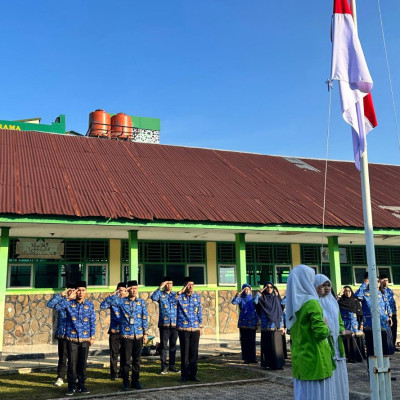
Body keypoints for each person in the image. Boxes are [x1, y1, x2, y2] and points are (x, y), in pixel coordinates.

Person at [286, 265, 336, 400]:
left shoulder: (293, 304)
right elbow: (320, 333)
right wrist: (326, 326)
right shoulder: (312, 303)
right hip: (316, 359)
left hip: (300, 359)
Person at [314, 275, 350, 400]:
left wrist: (343, 330)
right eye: (323, 285)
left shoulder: (334, 302)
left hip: (337, 344)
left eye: (328, 285)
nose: (327, 288)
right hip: (325, 344)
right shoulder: (315, 303)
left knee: (340, 376)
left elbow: (339, 322)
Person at [60, 281, 96, 396]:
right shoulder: (69, 304)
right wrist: (65, 297)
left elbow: (92, 321)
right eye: (78, 290)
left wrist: (92, 336)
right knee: (72, 363)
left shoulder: (89, 305)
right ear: (76, 291)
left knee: (82, 363)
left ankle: (82, 385)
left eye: (83, 290)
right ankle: (71, 386)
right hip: (72, 339)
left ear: (86, 291)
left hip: (85, 339)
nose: (81, 292)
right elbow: (53, 305)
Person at [111, 280, 148, 391]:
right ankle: (125, 382)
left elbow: (144, 318)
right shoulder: (122, 302)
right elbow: (105, 303)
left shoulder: (141, 302)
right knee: (126, 360)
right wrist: (117, 292)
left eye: (135, 288)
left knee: (137, 360)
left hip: (138, 336)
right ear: (128, 290)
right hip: (126, 336)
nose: (133, 290)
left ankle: (135, 381)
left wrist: (145, 333)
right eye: (131, 288)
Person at [355, 277, 395, 358]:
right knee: (371, 350)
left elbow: (387, 305)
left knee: (384, 350)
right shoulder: (365, 293)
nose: (376, 283)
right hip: (370, 325)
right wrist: (365, 283)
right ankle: (372, 369)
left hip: (383, 325)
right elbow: (357, 296)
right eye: (373, 281)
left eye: (378, 281)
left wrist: (390, 317)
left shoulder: (382, 293)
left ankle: (384, 368)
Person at [47, 286, 76, 387]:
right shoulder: (63, 301)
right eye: (69, 290)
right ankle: (60, 377)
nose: (71, 292)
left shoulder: (77, 303)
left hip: (74, 335)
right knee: (63, 357)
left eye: (73, 290)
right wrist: (61, 295)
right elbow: (50, 304)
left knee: (73, 358)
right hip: (62, 334)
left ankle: (73, 376)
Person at [150, 276, 179, 374]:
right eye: (167, 283)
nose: (169, 285)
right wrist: (160, 287)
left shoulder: (175, 295)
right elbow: (153, 297)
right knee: (163, 346)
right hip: (164, 324)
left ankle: (172, 366)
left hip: (175, 325)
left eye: (170, 283)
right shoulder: (160, 295)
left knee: (173, 346)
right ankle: (163, 366)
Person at [176, 276, 203, 383]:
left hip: (195, 328)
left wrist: (200, 326)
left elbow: (199, 312)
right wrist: (180, 292)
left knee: (194, 353)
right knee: (185, 353)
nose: (191, 287)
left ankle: (193, 374)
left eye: (192, 284)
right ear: (185, 286)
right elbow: (171, 301)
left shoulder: (196, 297)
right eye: (188, 285)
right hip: (184, 328)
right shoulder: (179, 297)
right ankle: (184, 375)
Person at [254, 282, 285, 370]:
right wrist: (259, 293)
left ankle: (278, 365)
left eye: (271, 287)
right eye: (267, 287)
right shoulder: (261, 298)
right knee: (268, 347)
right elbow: (254, 302)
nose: (269, 289)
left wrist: (282, 326)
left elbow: (280, 313)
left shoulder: (276, 299)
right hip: (266, 327)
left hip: (276, 326)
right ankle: (268, 364)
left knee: (277, 347)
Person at [100, 282, 127, 380]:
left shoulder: (128, 301)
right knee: (114, 354)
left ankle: (123, 372)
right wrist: (112, 295)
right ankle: (113, 373)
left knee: (125, 354)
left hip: (125, 332)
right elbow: (102, 305)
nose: (121, 292)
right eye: (119, 290)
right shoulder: (113, 301)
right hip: (114, 331)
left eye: (123, 290)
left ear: (126, 291)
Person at [231, 283, 259, 363]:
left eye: (248, 289)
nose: (247, 291)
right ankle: (246, 358)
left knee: (252, 341)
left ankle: (253, 358)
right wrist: (238, 294)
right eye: (245, 289)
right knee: (244, 341)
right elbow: (234, 302)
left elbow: (256, 310)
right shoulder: (241, 299)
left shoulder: (253, 299)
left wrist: (257, 321)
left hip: (252, 323)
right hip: (243, 323)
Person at [338, 286, 366, 362]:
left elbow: (360, 313)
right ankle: (349, 357)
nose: (347, 293)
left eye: (349, 291)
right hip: (345, 324)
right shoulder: (340, 302)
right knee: (348, 340)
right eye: (345, 291)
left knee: (356, 340)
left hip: (355, 324)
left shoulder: (355, 300)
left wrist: (361, 324)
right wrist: (338, 296)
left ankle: (358, 357)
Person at [379, 273, 398, 350]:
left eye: (387, 280)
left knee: (394, 330)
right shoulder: (380, 291)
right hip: (385, 315)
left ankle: (392, 345)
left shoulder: (389, 290)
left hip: (393, 313)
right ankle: (387, 346)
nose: (386, 282)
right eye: (384, 280)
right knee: (387, 331)